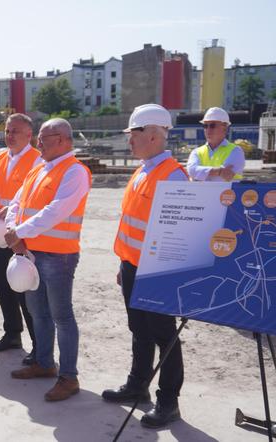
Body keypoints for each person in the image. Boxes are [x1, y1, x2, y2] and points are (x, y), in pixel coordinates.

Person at [102, 104, 189, 428]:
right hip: (133, 267)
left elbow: (181, 232)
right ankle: (138, 384)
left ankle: (169, 401)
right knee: (139, 330)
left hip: (157, 272)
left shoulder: (173, 174)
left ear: (153, 135)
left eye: (133, 134)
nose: (129, 141)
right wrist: (124, 264)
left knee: (165, 336)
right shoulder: (145, 170)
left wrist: (169, 277)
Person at [5, 118, 91, 402]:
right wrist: (11, 227)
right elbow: (17, 202)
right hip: (31, 252)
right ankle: (44, 362)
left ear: (63, 140)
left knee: (61, 316)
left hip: (58, 256)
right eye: (39, 137)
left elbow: (56, 211)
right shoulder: (40, 168)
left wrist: (19, 231)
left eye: (44, 137)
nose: (38, 142)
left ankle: (69, 377)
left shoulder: (75, 172)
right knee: (38, 311)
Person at [0, 113, 41, 363]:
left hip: (22, 236)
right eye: (7, 130)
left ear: (29, 135)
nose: (10, 135)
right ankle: (12, 333)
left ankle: (40, 346)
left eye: (15, 131)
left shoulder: (38, 160)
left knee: (25, 290)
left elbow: (36, 200)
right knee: (3, 285)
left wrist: (12, 214)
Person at [186, 106, 245, 182]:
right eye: (205, 126)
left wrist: (202, 174)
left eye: (212, 125)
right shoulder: (196, 152)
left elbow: (221, 178)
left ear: (225, 128)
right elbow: (191, 171)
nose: (208, 129)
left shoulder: (236, 151)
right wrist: (219, 171)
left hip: (227, 193)